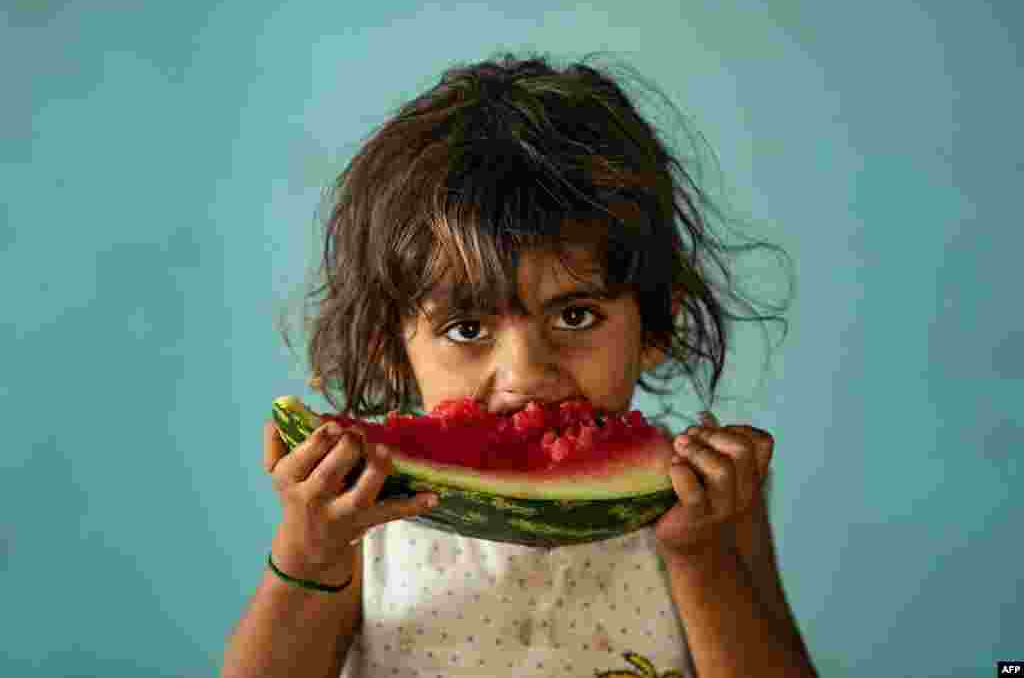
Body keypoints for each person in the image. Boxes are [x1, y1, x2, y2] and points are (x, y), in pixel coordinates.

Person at [222, 50, 816, 678]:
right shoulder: (363, 510)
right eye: (469, 328)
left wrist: (702, 555)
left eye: (575, 316)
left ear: (654, 325)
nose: (527, 374)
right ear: (390, 349)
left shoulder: (707, 499)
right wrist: (310, 555)